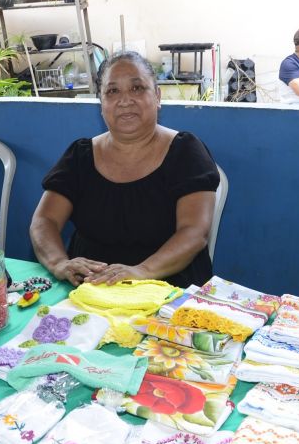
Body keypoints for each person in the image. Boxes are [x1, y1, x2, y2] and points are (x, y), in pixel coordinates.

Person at [29, 51, 219, 288]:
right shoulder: (80, 156)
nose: (125, 100)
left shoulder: (185, 152)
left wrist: (142, 271)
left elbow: (194, 232)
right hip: (88, 289)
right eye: (112, 91)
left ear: (157, 96)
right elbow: (44, 220)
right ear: (101, 104)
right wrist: (59, 263)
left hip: (168, 290)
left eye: (137, 88)